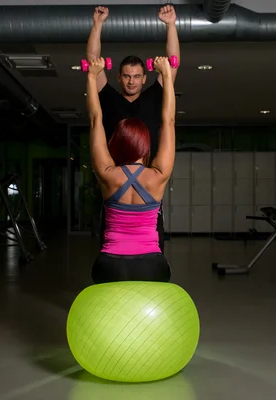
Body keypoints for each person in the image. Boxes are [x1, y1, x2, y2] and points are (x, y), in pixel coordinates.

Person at [86, 4, 180, 254]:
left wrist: (170, 25)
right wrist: (97, 26)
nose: (131, 81)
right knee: (111, 244)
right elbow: (94, 65)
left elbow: (172, 66)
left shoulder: (152, 97)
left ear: (144, 78)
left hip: (148, 181)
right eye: (127, 76)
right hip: (114, 180)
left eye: (137, 76)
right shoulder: (109, 98)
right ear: (118, 77)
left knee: (152, 245)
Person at [85, 55, 176, 284]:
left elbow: (96, 120)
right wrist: (166, 75)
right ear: (146, 144)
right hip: (151, 265)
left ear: (114, 143)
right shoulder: (157, 176)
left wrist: (91, 76)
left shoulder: (107, 174)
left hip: (109, 266)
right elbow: (168, 121)